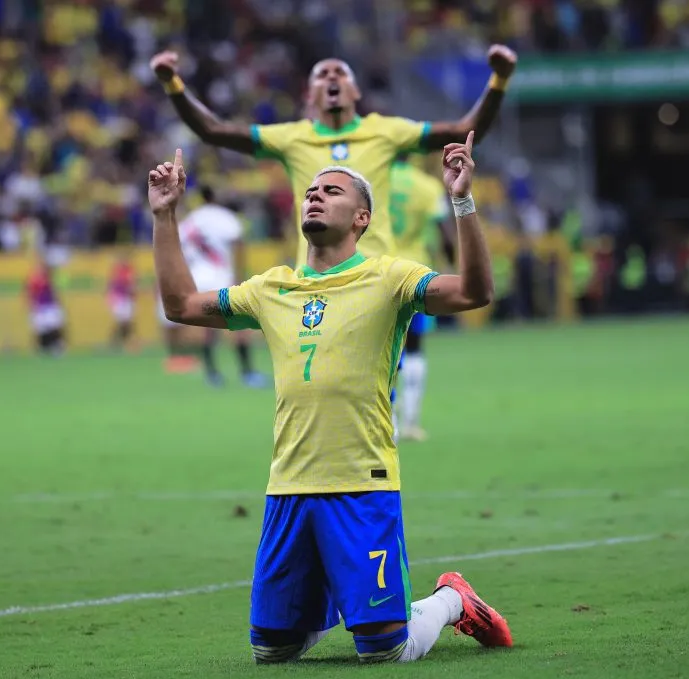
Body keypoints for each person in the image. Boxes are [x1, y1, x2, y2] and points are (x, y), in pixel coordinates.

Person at [148, 139, 511, 664]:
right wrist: (164, 216)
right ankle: (339, 596)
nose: (315, 195)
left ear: (362, 217)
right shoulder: (271, 289)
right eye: (310, 191)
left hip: (361, 486)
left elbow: (475, 292)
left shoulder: (391, 278)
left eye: (332, 191)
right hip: (288, 487)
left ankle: (451, 599)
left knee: (385, 651)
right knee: (271, 651)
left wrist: (462, 200)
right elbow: (181, 305)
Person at [150, 46, 517, 267]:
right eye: (322, 74)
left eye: (340, 72)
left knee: (379, 375)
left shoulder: (387, 131)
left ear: (355, 91)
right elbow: (213, 130)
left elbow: (467, 129)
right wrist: (172, 83)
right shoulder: (291, 137)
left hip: (376, 273)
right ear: (310, 95)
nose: (331, 77)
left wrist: (498, 80)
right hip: (315, 274)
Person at [175, 185, 267, 387]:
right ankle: (247, 373)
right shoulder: (226, 217)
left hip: (198, 280)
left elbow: (179, 250)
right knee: (240, 324)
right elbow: (238, 245)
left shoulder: (191, 221)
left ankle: (212, 374)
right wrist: (240, 277)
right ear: (214, 197)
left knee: (207, 328)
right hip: (223, 278)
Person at [389, 154, 453, 442]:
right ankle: (411, 421)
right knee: (414, 347)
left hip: (378, 274)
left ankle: (387, 421)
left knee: (380, 350)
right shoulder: (427, 186)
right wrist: (452, 263)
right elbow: (445, 234)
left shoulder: (371, 182)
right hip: (416, 275)